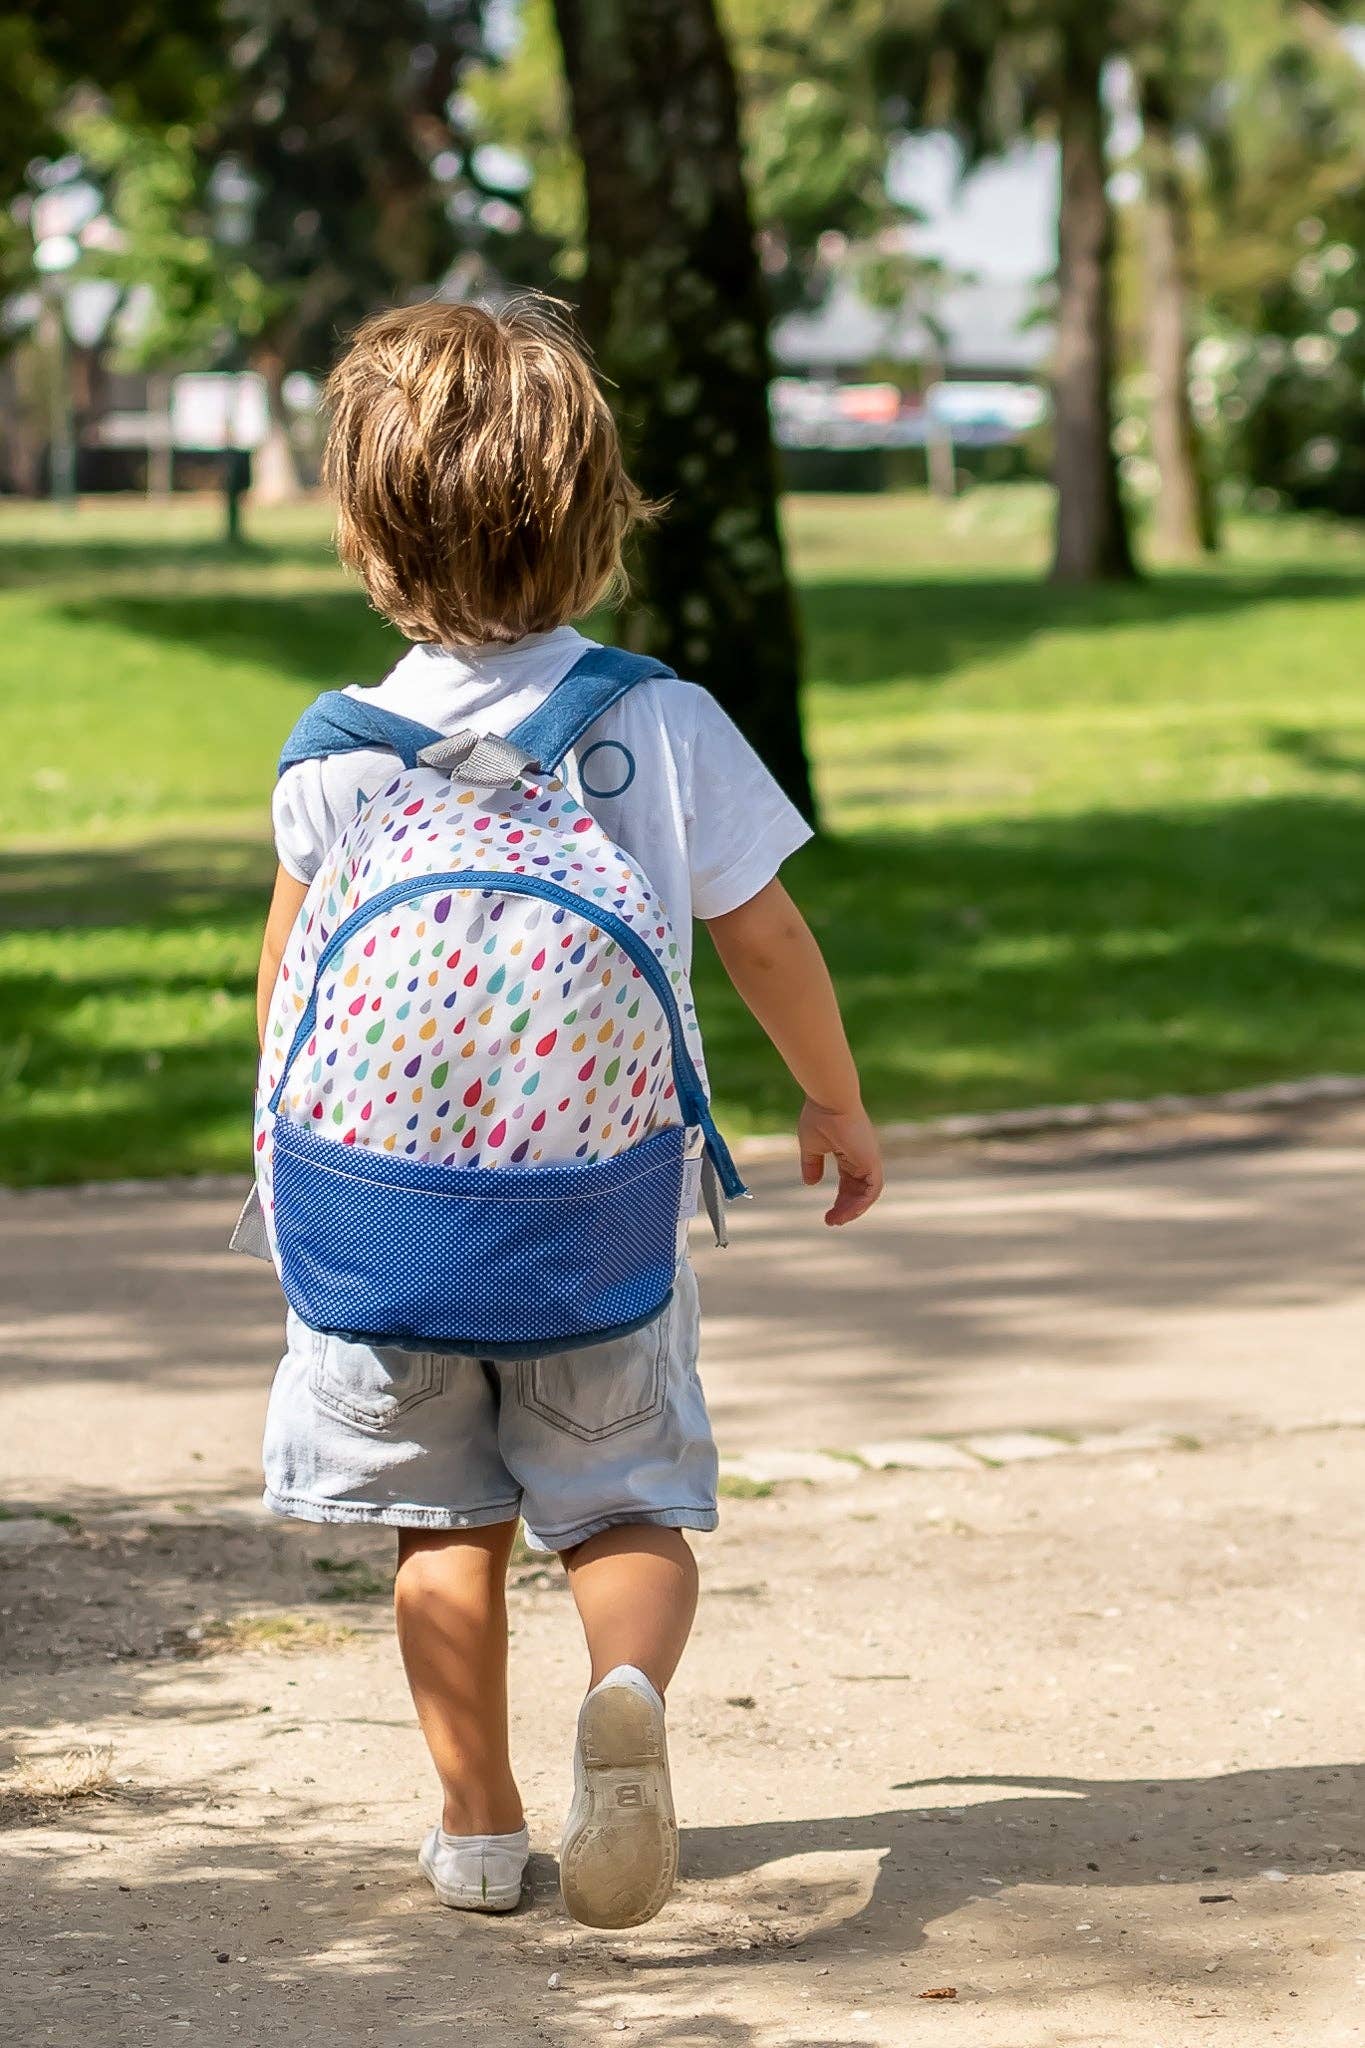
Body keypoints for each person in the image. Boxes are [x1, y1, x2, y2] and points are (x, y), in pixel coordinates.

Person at [254, 296, 884, 1928]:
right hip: (599, 1220)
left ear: (361, 533)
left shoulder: (334, 755)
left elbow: (284, 985)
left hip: (381, 1229)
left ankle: (476, 1828)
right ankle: (629, 1696)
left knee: (440, 1530)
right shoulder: (660, 722)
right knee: (624, 1508)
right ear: (600, 525)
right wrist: (830, 1100)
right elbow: (765, 935)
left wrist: (291, 1164)